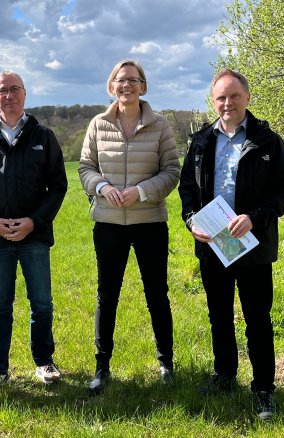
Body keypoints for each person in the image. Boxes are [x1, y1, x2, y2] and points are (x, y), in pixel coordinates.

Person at [178, 70, 284, 420]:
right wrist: (191, 221)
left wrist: (255, 216)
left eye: (233, 96)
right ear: (213, 102)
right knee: (219, 316)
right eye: (221, 98)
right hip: (213, 242)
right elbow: (187, 188)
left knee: (257, 318)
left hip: (252, 244)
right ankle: (225, 375)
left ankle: (264, 389)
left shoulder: (267, 141)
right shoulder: (201, 141)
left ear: (247, 97)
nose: (227, 103)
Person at [78, 59, 180, 395]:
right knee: (107, 295)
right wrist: (101, 188)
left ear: (143, 87)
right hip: (108, 223)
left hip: (149, 222)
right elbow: (86, 167)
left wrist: (140, 192)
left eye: (134, 80)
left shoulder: (161, 125)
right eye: (121, 80)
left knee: (156, 295)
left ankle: (166, 363)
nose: (127, 86)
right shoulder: (97, 124)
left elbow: (171, 172)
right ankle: (101, 367)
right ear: (111, 87)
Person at [0, 70, 68, 390]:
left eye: (14, 89)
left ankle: (44, 362)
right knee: (0, 304)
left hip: (33, 235)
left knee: (42, 303)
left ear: (25, 93)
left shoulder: (43, 136)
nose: (9, 95)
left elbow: (58, 186)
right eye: (2, 90)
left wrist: (33, 221)